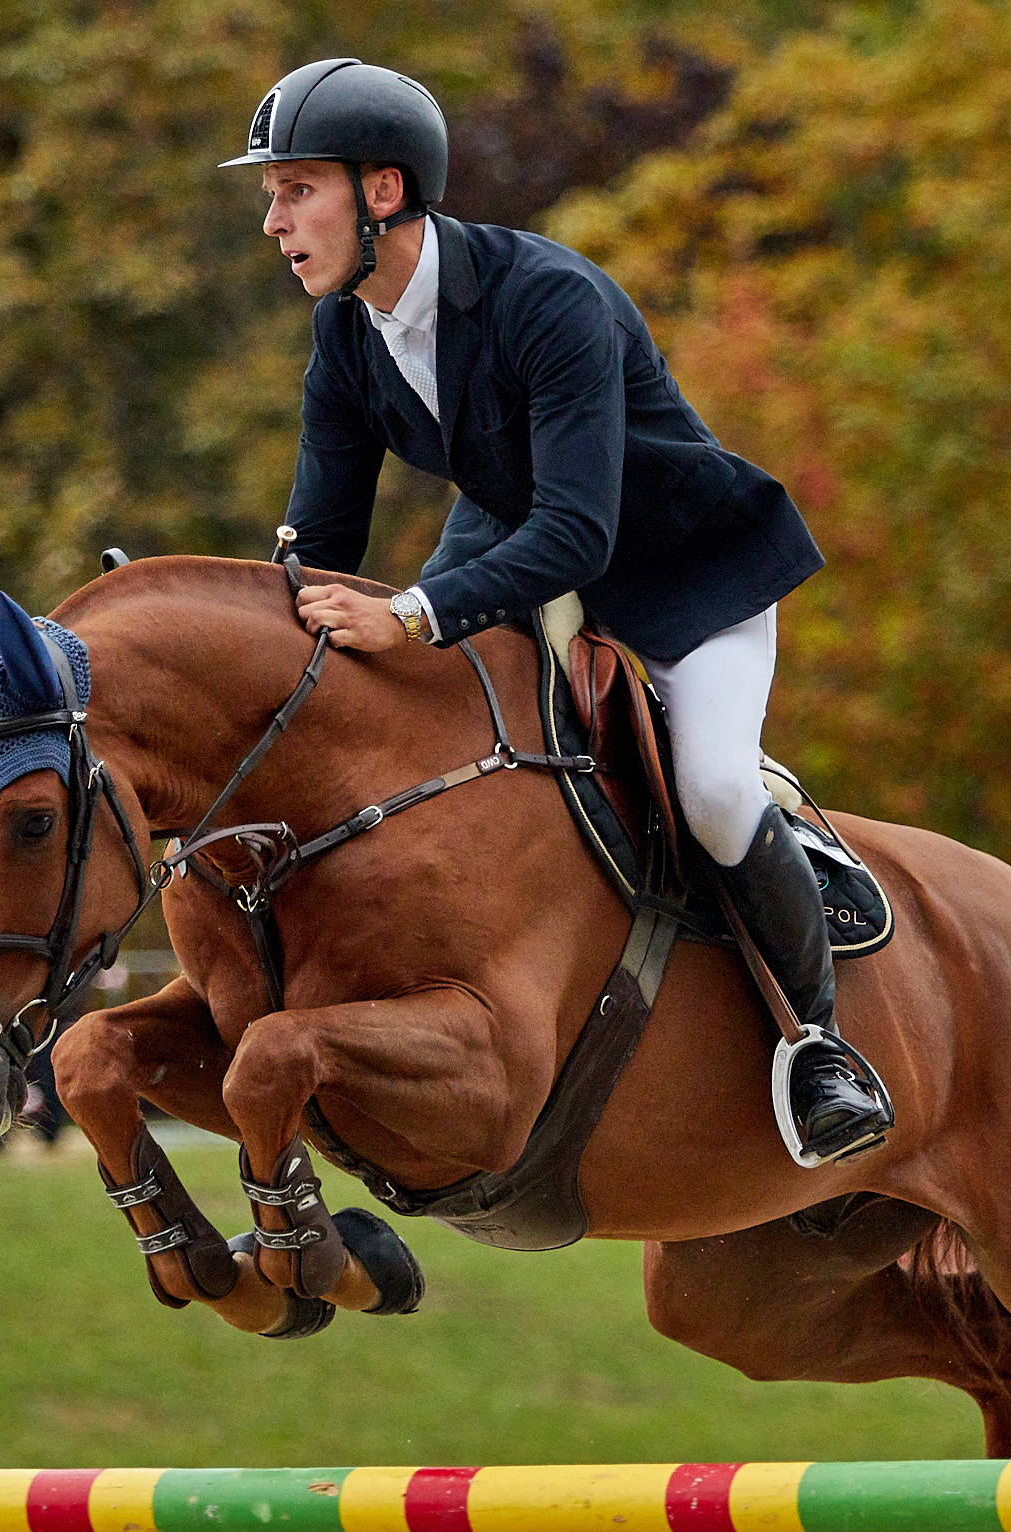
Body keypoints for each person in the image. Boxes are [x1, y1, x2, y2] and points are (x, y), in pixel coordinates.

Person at [222, 57, 890, 1164]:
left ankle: (817, 1041)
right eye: (270, 196)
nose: (274, 220)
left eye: (296, 190)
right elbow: (321, 550)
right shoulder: (347, 333)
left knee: (714, 789)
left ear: (381, 193)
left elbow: (580, 532)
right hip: (514, 554)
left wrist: (417, 616)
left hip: (681, 573)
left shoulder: (548, 299)